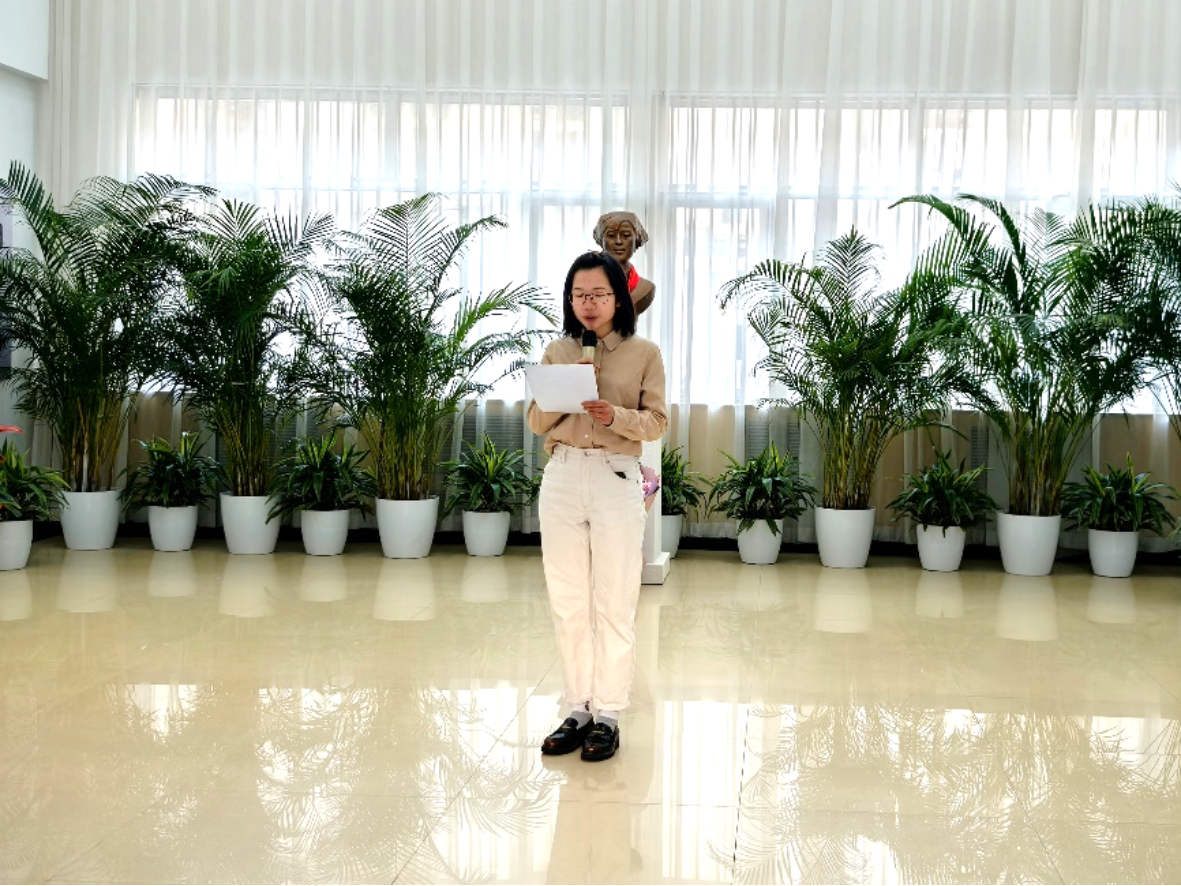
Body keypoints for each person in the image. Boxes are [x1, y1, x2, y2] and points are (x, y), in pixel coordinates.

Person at [527, 250, 668, 761]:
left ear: (618, 298)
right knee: (567, 599)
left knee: (615, 599)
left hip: (615, 475)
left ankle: (608, 714)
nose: (589, 304)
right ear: (570, 300)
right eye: (579, 295)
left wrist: (615, 416)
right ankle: (578, 708)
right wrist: (565, 390)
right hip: (563, 475)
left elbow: (657, 422)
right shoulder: (557, 351)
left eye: (599, 294)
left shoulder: (644, 353)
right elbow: (535, 422)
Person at [592, 211, 655, 316]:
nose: (618, 241)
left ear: (637, 239)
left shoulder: (646, 288)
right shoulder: (586, 283)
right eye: (611, 235)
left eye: (626, 235)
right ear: (601, 240)